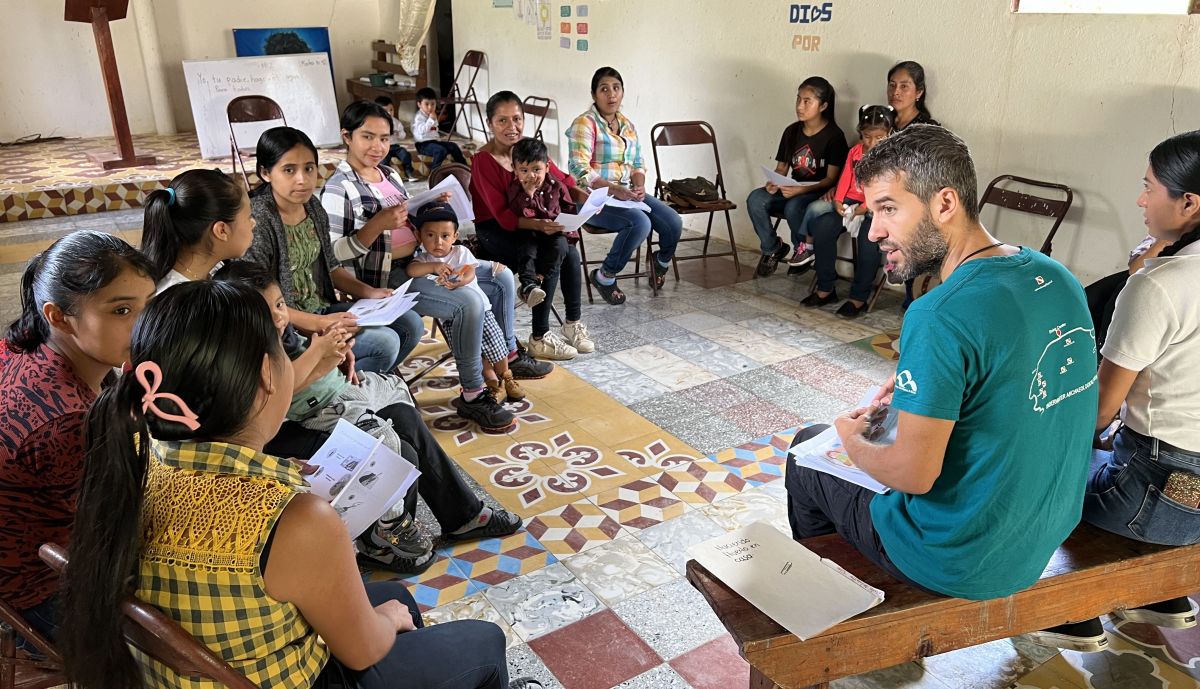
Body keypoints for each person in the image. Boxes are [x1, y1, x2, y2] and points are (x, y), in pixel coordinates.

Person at [57, 280, 533, 689]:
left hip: (198, 669)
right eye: (284, 350)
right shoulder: (296, 519)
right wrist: (383, 621)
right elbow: (364, 650)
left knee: (398, 596)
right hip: (296, 679)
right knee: (481, 640)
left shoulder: (136, 458)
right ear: (268, 374)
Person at [784, 124, 1099, 601]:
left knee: (806, 452)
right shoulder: (1056, 276)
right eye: (872, 212)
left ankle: (833, 614)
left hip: (961, 557)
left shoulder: (938, 312)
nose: (875, 232)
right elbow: (1005, 375)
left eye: (889, 209)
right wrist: (926, 381)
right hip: (1044, 531)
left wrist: (849, 439)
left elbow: (913, 475)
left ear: (945, 203)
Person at [215, 261, 522, 574]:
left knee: (403, 413)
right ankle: (382, 539)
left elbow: (300, 354)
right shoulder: (239, 350)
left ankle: (460, 517)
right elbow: (273, 398)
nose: (280, 316)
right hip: (288, 425)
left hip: (324, 398)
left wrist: (328, 352)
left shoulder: (272, 327)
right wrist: (320, 359)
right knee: (397, 448)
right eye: (269, 310)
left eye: (281, 305)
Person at [1031, 130, 1200, 653]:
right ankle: (1161, 593)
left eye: (1149, 187)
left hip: (1152, 495)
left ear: (1189, 203)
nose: (1141, 200)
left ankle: (1066, 609)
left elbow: (1097, 413)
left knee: (1033, 473)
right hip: (1188, 495)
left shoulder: (1158, 286)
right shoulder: (1160, 277)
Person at [321, 101, 546, 428]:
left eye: (384, 138)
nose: (377, 147)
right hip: (391, 276)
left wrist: (426, 209)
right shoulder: (339, 187)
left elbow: (405, 223)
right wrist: (377, 224)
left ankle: (507, 356)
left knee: (502, 278)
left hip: (423, 257)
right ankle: (473, 392)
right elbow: (334, 255)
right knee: (467, 301)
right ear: (347, 137)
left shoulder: (390, 174)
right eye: (367, 137)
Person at [0, 231, 156, 651]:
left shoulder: (21, 346)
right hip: (42, 595)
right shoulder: (68, 422)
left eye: (149, 305)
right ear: (59, 316)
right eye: (122, 310)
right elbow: (119, 530)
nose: (143, 326)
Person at [247, 126, 423, 375]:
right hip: (286, 325)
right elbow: (258, 300)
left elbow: (331, 266)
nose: (302, 179)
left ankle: (359, 383)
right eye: (289, 170)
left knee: (412, 324)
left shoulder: (312, 206)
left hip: (321, 309)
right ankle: (339, 393)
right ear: (266, 173)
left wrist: (369, 293)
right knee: (385, 344)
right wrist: (320, 323)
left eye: (309, 168)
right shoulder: (259, 219)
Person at [471, 91, 594, 360]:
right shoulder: (483, 161)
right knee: (546, 253)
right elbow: (502, 216)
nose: (511, 127)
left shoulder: (529, 149)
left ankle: (572, 323)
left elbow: (561, 179)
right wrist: (539, 225)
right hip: (497, 230)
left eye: (517, 119)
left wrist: (583, 196)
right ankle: (539, 336)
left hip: (534, 225)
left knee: (569, 251)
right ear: (490, 123)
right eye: (502, 120)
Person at [566, 67, 682, 304]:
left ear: (622, 93)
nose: (611, 95)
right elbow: (579, 168)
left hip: (625, 192)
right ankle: (604, 276)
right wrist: (612, 189)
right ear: (594, 94)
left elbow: (638, 163)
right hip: (593, 197)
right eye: (604, 89)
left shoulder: (627, 125)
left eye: (616, 88)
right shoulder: (584, 123)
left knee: (673, 222)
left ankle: (659, 262)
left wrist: (639, 186)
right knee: (640, 223)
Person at [408, 203, 525, 406]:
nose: (438, 242)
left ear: (454, 236)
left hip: (483, 311)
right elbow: (411, 270)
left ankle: (508, 377)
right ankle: (493, 385)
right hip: (453, 319)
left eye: (445, 236)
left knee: (496, 348)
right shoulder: (423, 259)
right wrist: (434, 267)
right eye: (430, 235)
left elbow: (470, 271)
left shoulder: (460, 252)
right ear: (419, 236)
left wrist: (462, 280)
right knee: (478, 355)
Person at [745, 76, 849, 277]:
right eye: (798, 99)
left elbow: (831, 179)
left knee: (794, 206)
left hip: (815, 191)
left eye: (807, 101)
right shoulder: (791, 131)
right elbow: (782, 168)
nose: (800, 106)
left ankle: (803, 250)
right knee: (756, 199)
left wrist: (803, 189)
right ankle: (773, 248)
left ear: (823, 105)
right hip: (790, 187)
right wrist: (774, 182)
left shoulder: (834, 136)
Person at [799, 105, 897, 318]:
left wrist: (867, 207)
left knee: (868, 240)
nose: (872, 143)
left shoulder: (891, 158)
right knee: (822, 226)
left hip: (876, 209)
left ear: (889, 134)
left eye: (879, 138)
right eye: (867, 137)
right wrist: (837, 200)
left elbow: (889, 189)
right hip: (850, 202)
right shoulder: (855, 151)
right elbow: (845, 178)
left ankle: (858, 297)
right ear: (861, 133)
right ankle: (826, 288)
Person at [139, 168, 255, 292]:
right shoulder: (179, 298)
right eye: (249, 217)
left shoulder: (209, 270)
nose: (253, 223)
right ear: (222, 231)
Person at [886, 60, 941, 307]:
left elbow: (929, 174)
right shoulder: (880, 124)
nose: (896, 92)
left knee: (908, 229)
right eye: (892, 85)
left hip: (914, 199)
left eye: (904, 86)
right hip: (880, 199)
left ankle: (913, 299)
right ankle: (858, 295)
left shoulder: (927, 130)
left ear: (919, 92)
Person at [508, 137, 572, 308]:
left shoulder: (556, 186)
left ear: (547, 167)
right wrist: (528, 193)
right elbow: (514, 212)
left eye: (537, 169)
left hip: (553, 232)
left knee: (561, 248)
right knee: (527, 250)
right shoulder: (516, 189)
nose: (531, 175)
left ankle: (538, 279)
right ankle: (528, 284)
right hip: (528, 232)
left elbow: (568, 207)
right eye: (524, 170)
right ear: (515, 170)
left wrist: (569, 228)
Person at [412, 87, 468, 170]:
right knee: (441, 150)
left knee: (453, 146)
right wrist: (431, 121)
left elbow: (435, 129)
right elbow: (422, 131)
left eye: (433, 104)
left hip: (434, 142)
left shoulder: (431, 115)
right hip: (423, 144)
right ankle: (434, 172)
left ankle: (464, 167)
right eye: (426, 104)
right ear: (419, 104)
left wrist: (433, 123)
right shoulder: (418, 117)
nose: (430, 107)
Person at [374, 95, 420, 182]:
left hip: (395, 146)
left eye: (391, 110)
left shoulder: (396, 122)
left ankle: (409, 172)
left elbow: (403, 135)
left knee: (405, 154)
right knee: (384, 160)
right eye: (385, 110)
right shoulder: (376, 124)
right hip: (382, 147)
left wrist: (399, 134)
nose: (389, 113)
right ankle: (389, 176)